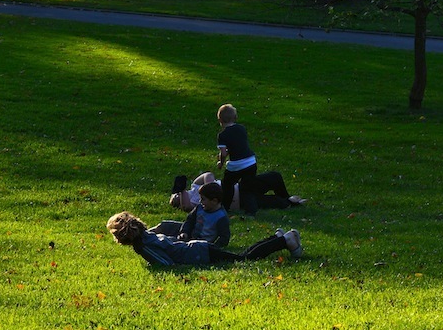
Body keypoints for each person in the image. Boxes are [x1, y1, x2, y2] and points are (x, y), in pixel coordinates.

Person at [106, 211, 303, 267]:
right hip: (198, 246)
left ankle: (284, 241)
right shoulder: (147, 234)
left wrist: (153, 267)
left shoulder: (142, 246)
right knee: (239, 256)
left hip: (198, 254)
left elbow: (166, 263)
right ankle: (276, 237)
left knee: (243, 259)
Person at [169, 171, 307, 213]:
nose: (176, 196)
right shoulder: (195, 204)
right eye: (176, 197)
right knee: (275, 203)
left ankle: (287, 197)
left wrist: (211, 189)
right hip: (240, 201)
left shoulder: (195, 186)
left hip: (238, 188)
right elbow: (186, 206)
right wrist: (181, 192)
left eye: (174, 195)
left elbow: (208, 175)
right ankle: (291, 202)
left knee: (274, 177)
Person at [216, 103, 259, 213]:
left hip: (236, 165)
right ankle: (251, 211)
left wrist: (220, 163)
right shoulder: (242, 129)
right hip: (251, 162)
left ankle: (224, 208)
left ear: (220, 120)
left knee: (227, 185)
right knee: (247, 188)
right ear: (235, 118)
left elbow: (224, 153)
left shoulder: (222, 135)